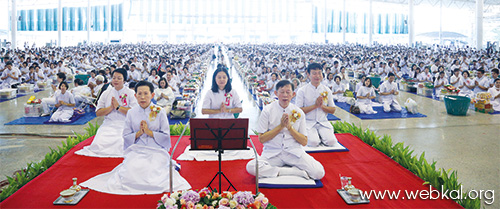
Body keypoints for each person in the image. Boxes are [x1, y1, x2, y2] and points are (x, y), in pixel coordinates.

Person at [80, 81, 191, 194]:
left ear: (152, 95)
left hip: (156, 149)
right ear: (135, 96)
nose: (142, 97)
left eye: (146, 94)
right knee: (131, 171)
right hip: (137, 149)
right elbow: (126, 136)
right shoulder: (131, 113)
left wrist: (149, 132)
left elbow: (166, 136)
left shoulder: (160, 111)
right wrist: (138, 133)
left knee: (153, 172)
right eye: (139, 94)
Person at [246, 80, 325, 180]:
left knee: (318, 172)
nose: (285, 95)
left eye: (288, 92)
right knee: (251, 167)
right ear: (275, 93)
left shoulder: (298, 112)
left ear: (293, 94)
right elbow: (261, 139)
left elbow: (304, 142)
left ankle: (275, 170)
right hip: (273, 153)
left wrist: (289, 128)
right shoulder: (267, 110)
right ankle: (292, 172)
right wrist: (280, 126)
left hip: (293, 152)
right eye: (282, 92)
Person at [75, 68, 138, 157]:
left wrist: (118, 107)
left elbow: (134, 113)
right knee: (98, 144)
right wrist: (111, 107)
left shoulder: (130, 93)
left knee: (121, 144)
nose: (116, 80)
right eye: (114, 78)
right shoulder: (106, 93)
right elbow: (98, 112)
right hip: (109, 124)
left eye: (119, 78)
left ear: (124, 80)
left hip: (125, 124)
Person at [295, 63, 338, 147]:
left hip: (323, 122)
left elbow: (333, 110)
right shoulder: (302, 90)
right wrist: (315, 106)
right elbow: (298, 111)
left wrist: (322, 106)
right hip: (308, 122)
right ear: (308, 74)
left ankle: (322, 135)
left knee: (331, 142)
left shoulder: (326, 90)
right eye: (314, 73)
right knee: (313, 143)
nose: (317, 76)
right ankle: (316, 137)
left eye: (319, 73)